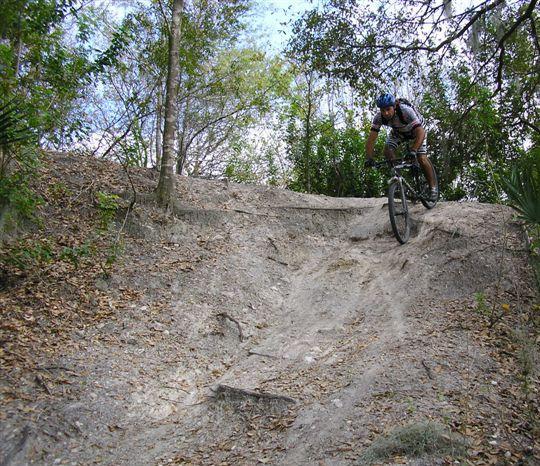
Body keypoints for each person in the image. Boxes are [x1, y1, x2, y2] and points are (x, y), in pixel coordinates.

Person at [364, 93, 438, 201]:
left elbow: (420, 132)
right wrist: (369, 158)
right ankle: (399, 179)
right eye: (382, 110)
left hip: (417, 131)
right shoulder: (379, 118)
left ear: (394, 106)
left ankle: (433, 189)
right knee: (388, 150)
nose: (386, 113)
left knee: (421, 157)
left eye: (388, 109)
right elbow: (371, 139)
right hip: (399, 132)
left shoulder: (405, 111)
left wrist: (413, 150)